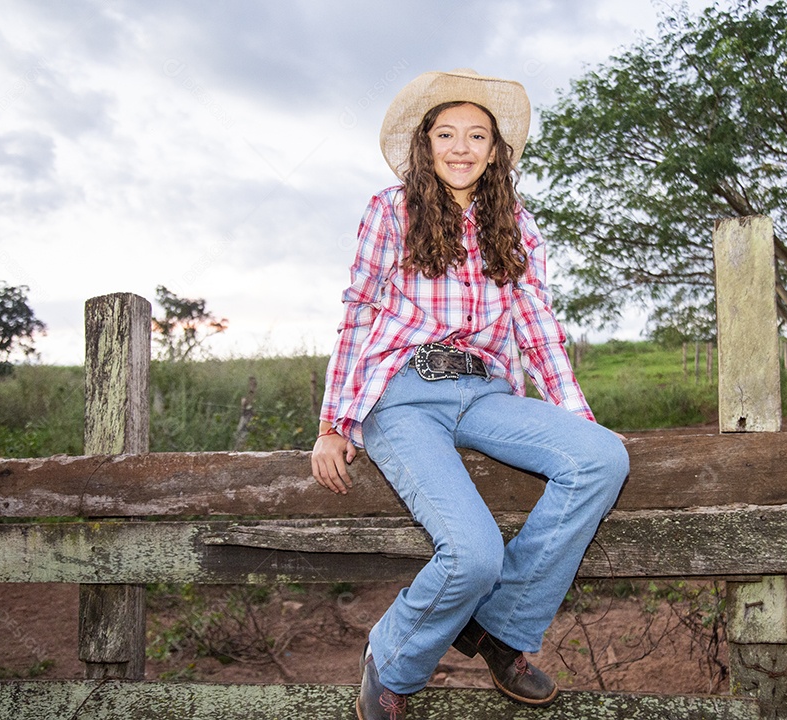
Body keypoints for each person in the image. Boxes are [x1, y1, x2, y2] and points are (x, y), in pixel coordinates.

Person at [311, 68, 630, 720]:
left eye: (476, 135)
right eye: (447, 133)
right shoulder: (389, 209)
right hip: (401, 391)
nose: (461, 146)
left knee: (601, 459)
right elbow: (359, 311)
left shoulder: (512, 224)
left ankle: (498, 629)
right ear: (426, 143)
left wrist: (579, 420)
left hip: (484, 390)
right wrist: (334, 422)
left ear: (494, 150)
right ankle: (394, 659)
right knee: (474, 553)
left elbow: (537, 323)